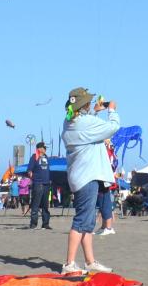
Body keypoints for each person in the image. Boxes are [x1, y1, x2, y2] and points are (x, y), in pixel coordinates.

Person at [62, 87, 120, 274]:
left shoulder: (69, 121)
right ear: (84, 105)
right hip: (88, 176)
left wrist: (94, 111)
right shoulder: (85, 122)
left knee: (87, 222)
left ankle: (89, 261)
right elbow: (112, 128)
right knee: (81, 221)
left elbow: (89, 129)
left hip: (79, 176)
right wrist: (111, 110)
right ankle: (69, 263)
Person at [26, 142, 52, 230]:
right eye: (44, 147)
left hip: (46, 184)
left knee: (45, 205)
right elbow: (29, 170)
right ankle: (33, 224)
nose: (45, 149)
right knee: (35, 205)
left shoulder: (46, 157)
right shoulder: (34, 157)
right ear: (40, 148)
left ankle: (45, 224)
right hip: (38, 184)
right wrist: (33, 177)